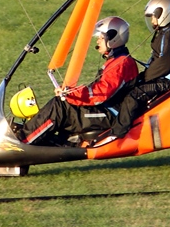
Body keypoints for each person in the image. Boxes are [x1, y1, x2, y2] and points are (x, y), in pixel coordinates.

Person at [18, 16, 138, 146]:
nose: (98, 40)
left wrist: (70, 93)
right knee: (62, 104)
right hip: (102, 110)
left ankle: (22, 141)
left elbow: (101, 93)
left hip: (109, 115)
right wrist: (70, 93)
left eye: (101, 38)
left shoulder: (122, 63)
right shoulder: (116, 60)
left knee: (60, 107)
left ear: (113, 39)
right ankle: (33, 139)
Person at [110, 0, 170, 138]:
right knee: (126, 88)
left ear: (163, 14)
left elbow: (163, 64)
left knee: (134, 95)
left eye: (153, 17)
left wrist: (143, 79)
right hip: (163, 78)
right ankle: (113, 122)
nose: (152, 21)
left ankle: (117, 134)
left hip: (169, 82)